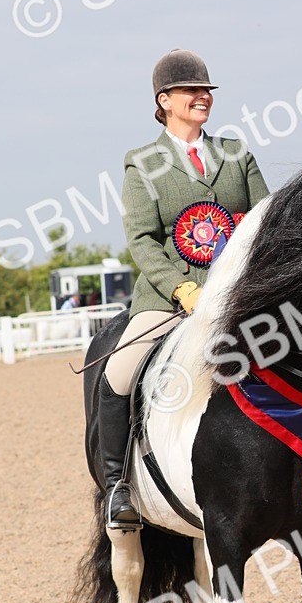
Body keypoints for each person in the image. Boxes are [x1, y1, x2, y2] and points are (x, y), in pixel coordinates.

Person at [99, 48, 269, 528]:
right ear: (164, 100)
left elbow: (266, 221)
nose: (204, 98)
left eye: (207, 91)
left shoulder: (236, 154)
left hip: (240, 295)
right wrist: (181, 289)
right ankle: (118, 487)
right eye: (193, 91)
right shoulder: (142, 163)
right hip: (171, 302)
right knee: (121, 370)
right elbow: (142, 240)